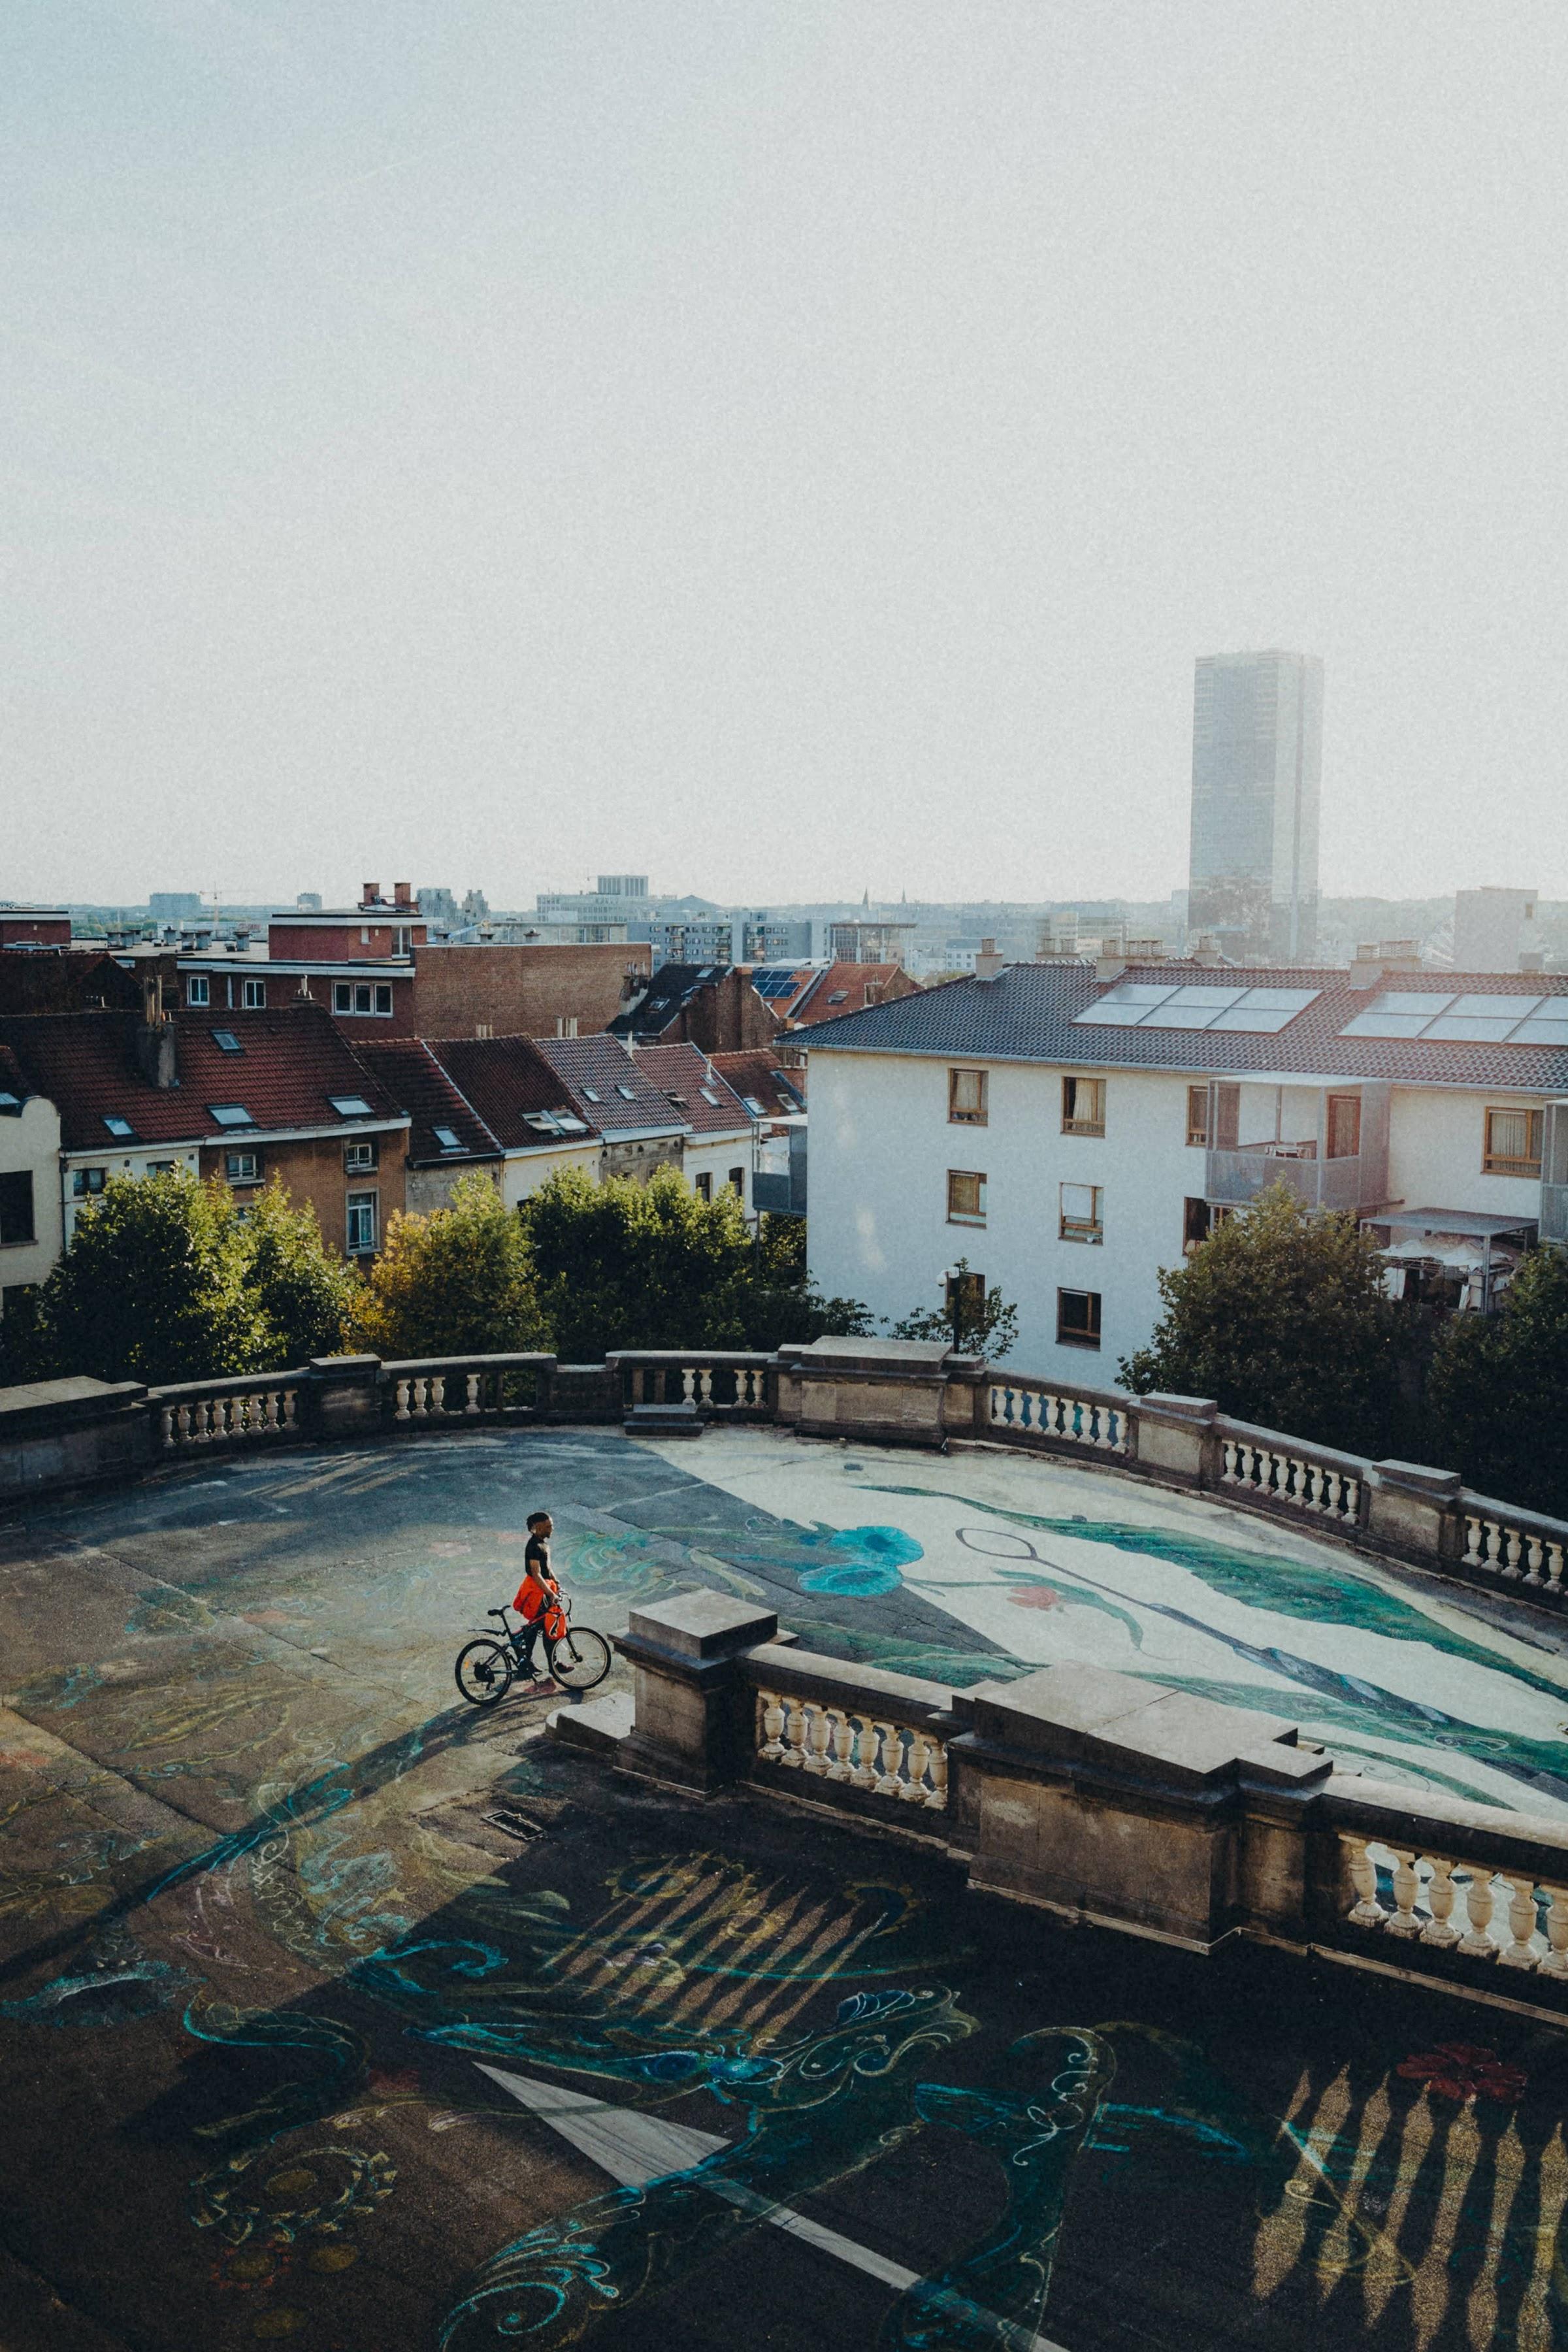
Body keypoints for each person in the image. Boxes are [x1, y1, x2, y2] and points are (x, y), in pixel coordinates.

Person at [511, 1511, 561, 1692]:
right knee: (545, 1627)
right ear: (538, 1528)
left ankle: (526, 1662)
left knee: (538, 1627)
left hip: (545, 1590)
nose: (552, 1529)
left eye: (551, 1525)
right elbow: (536, 1573)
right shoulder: (533, 1546)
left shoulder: (542, 1545)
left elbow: (548, 1568)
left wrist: (556, 1582)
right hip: (537, 1592)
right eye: (548, 1526)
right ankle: (549, 1664)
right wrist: (550, 1593)